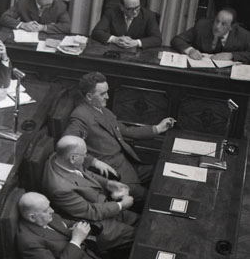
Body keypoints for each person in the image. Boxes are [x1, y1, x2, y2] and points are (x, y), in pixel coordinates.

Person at [63, 72, 175, 202]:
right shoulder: (80, 116)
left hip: (128, 165)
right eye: (102, 94)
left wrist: (157, 128)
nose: (107, 97)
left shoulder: (102, 110)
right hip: (115, 174)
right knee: (153, 199)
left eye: (107, 92)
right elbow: (67, 146)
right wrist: (94, 162)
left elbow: (126, 131)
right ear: (89, 96)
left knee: (163, 171)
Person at [41, 136, 138, 252]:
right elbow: (91, 212)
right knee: (138, 235)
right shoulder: (60, 188)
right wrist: (121, 205)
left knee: (140, 221)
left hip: (102, 205)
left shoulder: (60, 158)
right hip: (93, 221)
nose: (86, 157)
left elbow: (85, 173)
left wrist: (108, 183)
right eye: (84, 154)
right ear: (73, 158)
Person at [170, 7, 250, 63]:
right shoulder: (202, 26)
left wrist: (231, 55)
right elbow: (177, 39)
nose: (218, 26)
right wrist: (190, 50)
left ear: (231, 27)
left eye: (223, 24)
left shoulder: (243, 35)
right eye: (217, 21)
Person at [91, 0, 161, 49]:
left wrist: (136, 42)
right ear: (122, 7)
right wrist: (115, 39)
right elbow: (96, 32)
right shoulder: (111, 13)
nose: (135, 12)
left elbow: (157, 39)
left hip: (138, 55)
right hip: (114, 52)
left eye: (137, 7)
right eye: (130, 9)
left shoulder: (148, 15)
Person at [0, 0, 71, 35]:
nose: (51, 1)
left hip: (48, 41)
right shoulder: (23, 3)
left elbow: (67, 27)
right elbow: (4, 18)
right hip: (27, 41)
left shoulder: (60, 5)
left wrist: (44, 27)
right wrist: (22, 25)